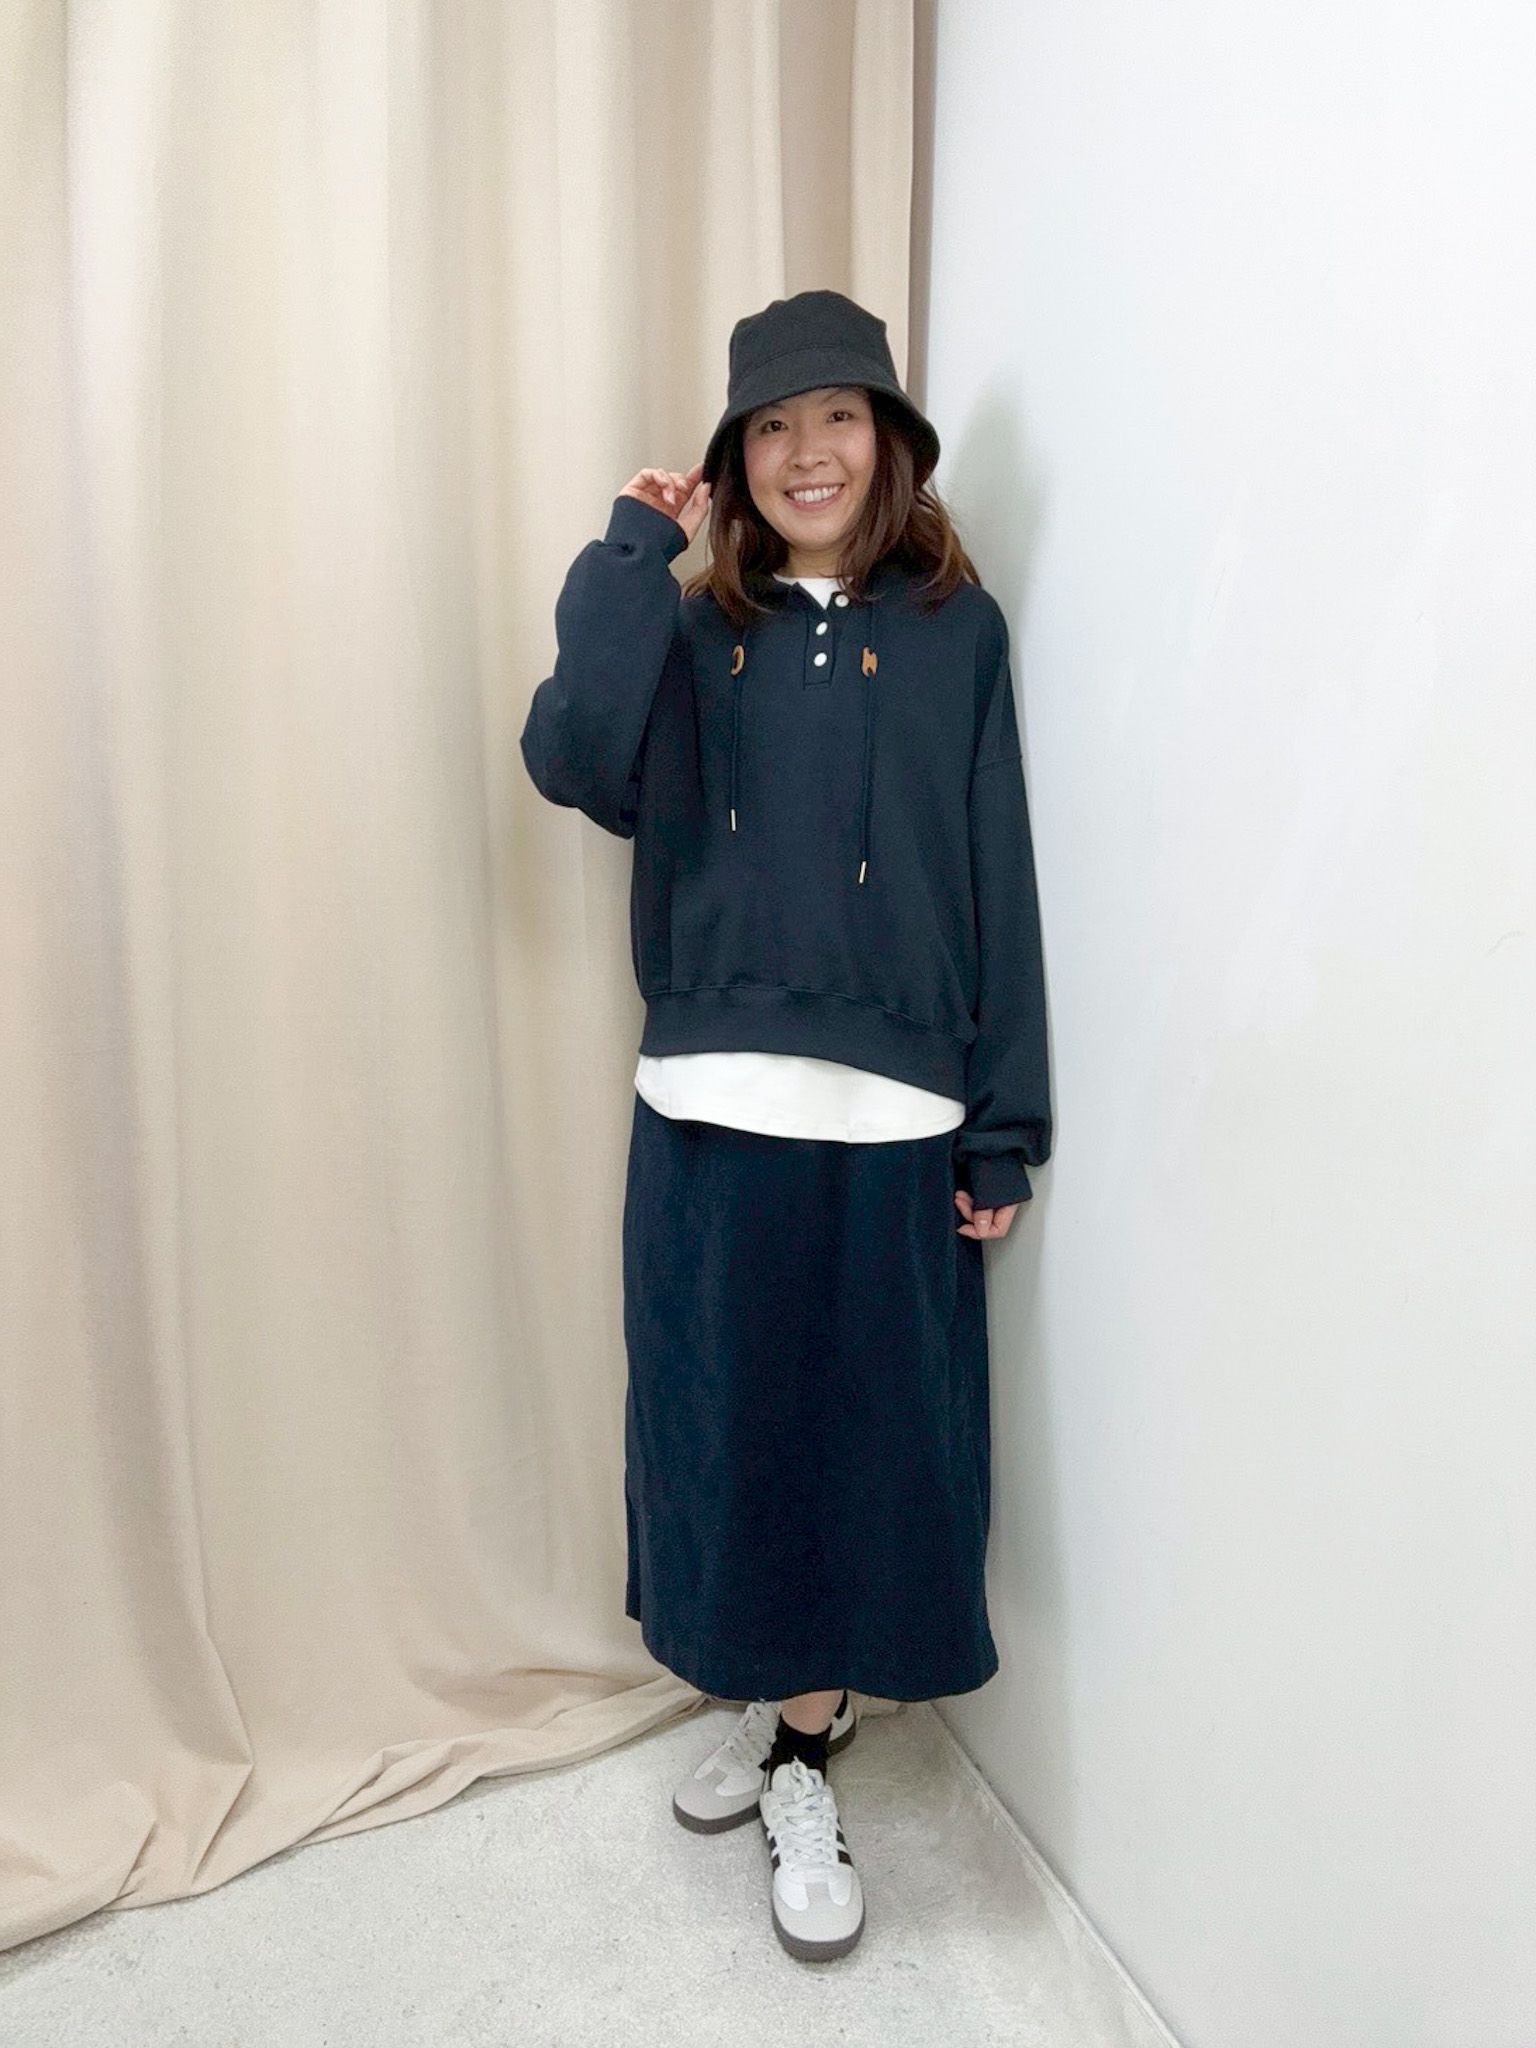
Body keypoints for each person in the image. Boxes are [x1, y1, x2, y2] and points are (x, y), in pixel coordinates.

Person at [520, 289, 1052, 1963]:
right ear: (735, 460)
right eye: (771, 424)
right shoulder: (689, 633)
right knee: (724, 1436)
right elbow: (570, 756)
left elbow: (995, 871)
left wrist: (1002, 1123)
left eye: (837, 416)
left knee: (867, 1448)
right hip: (706, 1100)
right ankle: (781, 1717)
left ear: (889, 443)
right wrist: (631, 555)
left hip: (896, 1115)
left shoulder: (959, 634)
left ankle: (804, 1753)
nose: (806, 450)